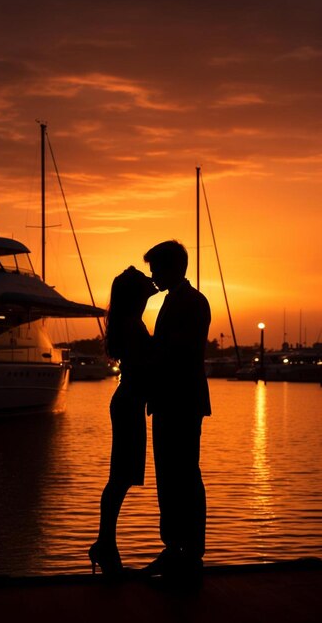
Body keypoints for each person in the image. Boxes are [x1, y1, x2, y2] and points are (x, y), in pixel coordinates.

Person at [142, 240, 211, 580]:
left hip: (182, 401)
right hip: (169, 400)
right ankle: (174, 548)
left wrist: (149, 352)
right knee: (168, 477)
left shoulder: (193, 303)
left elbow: (177, 351)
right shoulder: (173, 301)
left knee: (184, 475)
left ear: (173, 268)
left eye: (156, 268)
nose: (153, 275)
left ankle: (190, 553)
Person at [88, 266, 157, 576]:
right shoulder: (132, 325)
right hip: (129, 402)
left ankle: (106, 543)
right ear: (135, 296)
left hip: (128, 400)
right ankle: (105, 544)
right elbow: (146, 366)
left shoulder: (129, 321)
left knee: (121, 477)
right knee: (120, 478)